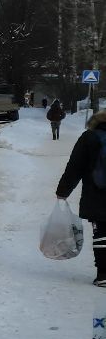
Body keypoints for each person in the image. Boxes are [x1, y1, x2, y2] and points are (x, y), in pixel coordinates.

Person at [55, 110, 106, 286]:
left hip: (97, 193)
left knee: (101, 234)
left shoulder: (89, 138)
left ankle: (103, 275)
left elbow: (74, 167)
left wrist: (63, 191)